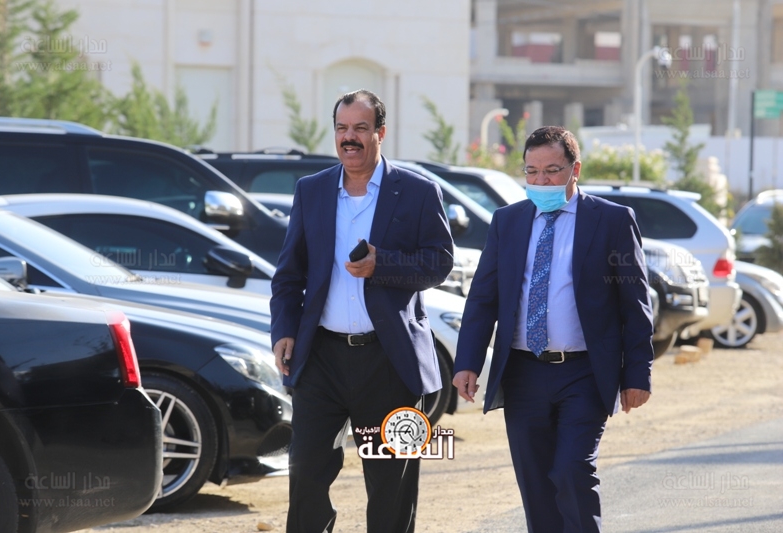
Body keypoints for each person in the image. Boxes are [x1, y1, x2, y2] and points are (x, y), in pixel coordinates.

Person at [452, 126, 653, 533]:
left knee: (572, 471)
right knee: (536, 484)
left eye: (552, 171)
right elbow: (483, 298)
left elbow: (635, 305)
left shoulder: (612, 221)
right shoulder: (507, 221)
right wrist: (467, 362)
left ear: (575, 169)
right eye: (532, 171)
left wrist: (637, 374)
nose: (541, 181)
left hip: (585, 373)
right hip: (523, 373)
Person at [271, 89, 454, 533]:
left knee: (391, 486)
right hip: (321, 360)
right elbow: (288, 274)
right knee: (306, 473)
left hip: (389, 361)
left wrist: (381, 264)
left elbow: (439, 262)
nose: (348, 137)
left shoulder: (417, 191)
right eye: (341, 128)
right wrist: (284, 331)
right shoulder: (312, 190)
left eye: (359, 128)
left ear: (380, 133)